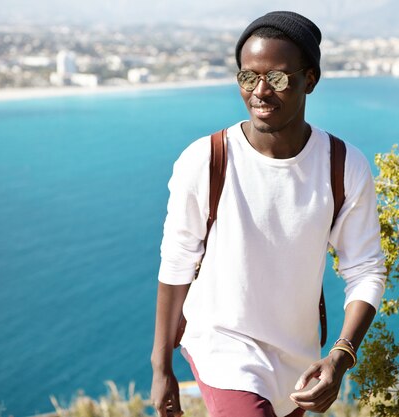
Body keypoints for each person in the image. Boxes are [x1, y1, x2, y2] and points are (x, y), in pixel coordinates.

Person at [150, 11, 386, 417]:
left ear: (309, 79)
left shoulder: (343, 165)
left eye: (277, 78)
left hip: (298, 361)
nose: (260, 91)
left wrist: (341, 355)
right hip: (222, 345)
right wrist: (161, 367)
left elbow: (365, 268)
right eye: (248, 77)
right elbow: (176, 261)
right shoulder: (206, 160)